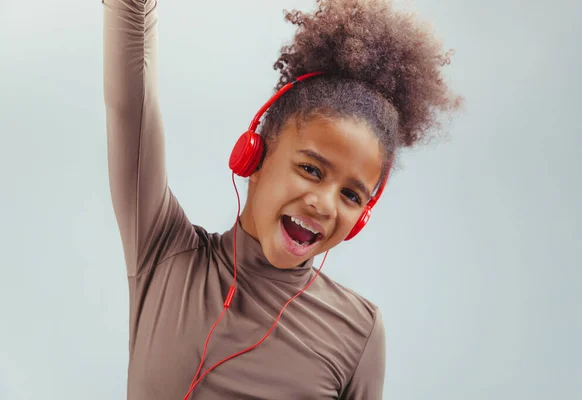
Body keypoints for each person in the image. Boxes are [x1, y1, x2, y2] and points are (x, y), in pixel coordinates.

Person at [101, 0, 461, 398]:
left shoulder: (359, 332)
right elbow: (129, 108)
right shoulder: (164, 251)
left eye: (350, 194)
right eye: (311, 169)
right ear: (255, 156)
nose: (324, 204)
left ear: (362, 217)